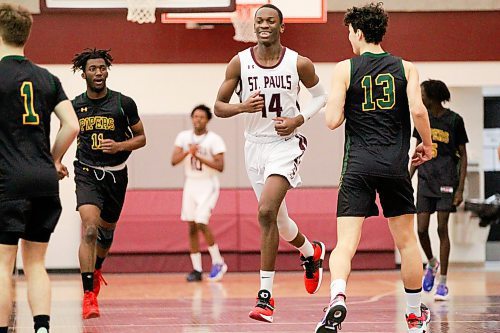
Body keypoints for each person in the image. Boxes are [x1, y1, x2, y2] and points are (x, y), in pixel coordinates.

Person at [315, 3, 433, 333]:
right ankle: (413, 315)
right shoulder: (406, 68)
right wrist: (428, 145)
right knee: (407, 242)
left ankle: (338, 297)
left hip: (358, 166)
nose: (349, 39)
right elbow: (420, 112)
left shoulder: (344, 69)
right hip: (395, 167)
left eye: (349, 33)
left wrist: (336, 101)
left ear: (358, 32)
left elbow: (332, 121)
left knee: (344, 245)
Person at [214, 4, 327, 323]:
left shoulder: (298, 62)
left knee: (264, 212)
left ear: (281, 26)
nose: (264, 25)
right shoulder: (239, 62)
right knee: (279, 222)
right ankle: (311, 252)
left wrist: (298, 119)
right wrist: (241, 107)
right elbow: (218, 107)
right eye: (259, 20)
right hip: (254, 148)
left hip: (284, 145)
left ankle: (265, 297)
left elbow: (321, 96)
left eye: (270, 21)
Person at [0, 4, 79, 333]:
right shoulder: (48, 78)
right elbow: (71, 125)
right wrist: (53, 159)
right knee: (36, 263)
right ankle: (43, 328)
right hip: (44, 181)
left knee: (3, 265)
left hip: (7, 181)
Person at [71, 48, 146, 319]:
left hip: (116, 175)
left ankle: (98, 266)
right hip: (87, 172)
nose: (98, 73)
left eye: (102, 68)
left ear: (107, 71)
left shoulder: (123, 103)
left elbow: (141, 138)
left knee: (105, 234)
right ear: (84, 73)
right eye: (93, 69)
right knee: (89, 229)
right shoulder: (75, 106)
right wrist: (55, 162)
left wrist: (119, 146)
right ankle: (88, 295)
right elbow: (65, 135)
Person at [410, 79, 468, 301]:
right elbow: (416, 153)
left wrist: (460, 189)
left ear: (432, 96)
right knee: (422, 229)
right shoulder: (421, 118)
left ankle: (443, 282)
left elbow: (463, 156)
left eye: (422, 93)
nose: (420, 96)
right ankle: (432, 263)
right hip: (425, 180)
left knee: (442, 229)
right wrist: (407, 179)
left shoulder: (455, 120)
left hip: (446, 180)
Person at [171, 104, 228, 282]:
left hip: (208, 184)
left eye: (202, 117)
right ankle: (196, 268)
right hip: (191, 183)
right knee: (191, 225)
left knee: (202, 221)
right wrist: (189, 151)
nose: (198, 119)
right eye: (195, 116)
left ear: (208, 119)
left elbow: (220, 166)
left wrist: (198, 156)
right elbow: (174, 161)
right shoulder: (183, 137)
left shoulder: (214, 140)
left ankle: (218, 261)